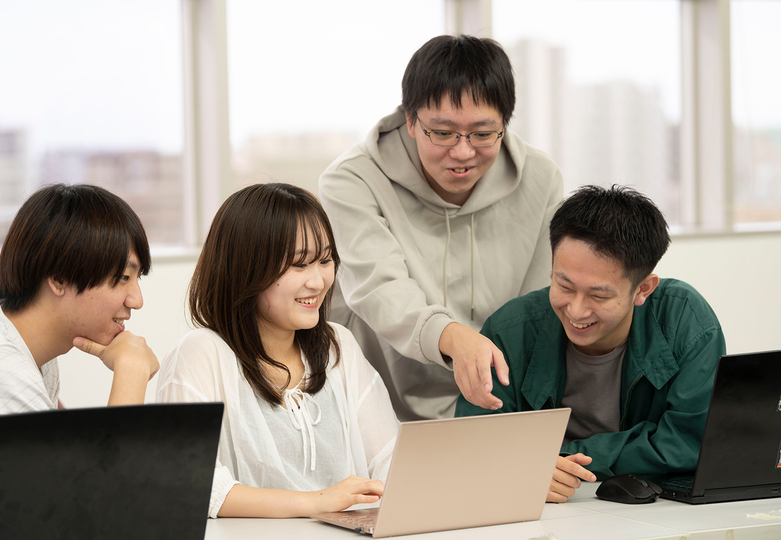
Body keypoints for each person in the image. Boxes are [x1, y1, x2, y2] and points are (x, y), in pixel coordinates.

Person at [319, 34, 564, 421]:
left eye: (483, 134)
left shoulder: (541, 178)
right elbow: (380, 288)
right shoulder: (352, 180)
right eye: (443, 132)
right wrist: (455, 338)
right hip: (374, 405)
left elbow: (537, 308)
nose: (463, 152)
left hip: (495, 404)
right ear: (411, 120)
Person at [456, 185, 726, 503]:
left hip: (653, 510)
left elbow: (693, 440)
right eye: (563, 284)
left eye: (598, 295)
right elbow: (471, 446)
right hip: (540, 509)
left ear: (643, 289)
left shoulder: (684, 319)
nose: (576, 310)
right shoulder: (510, 330)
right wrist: (521, 470)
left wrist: (555, 458)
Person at [156, 183, 399, 519]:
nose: (318, 281)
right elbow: (192, 483)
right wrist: (318, 502)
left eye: (325, 259)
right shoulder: (202, 354)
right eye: (299, 265)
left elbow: (392, 460)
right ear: (245, 270)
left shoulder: (337, 345)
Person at [0, 183, 159, 415]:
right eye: (123, 277)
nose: (136, 301)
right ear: (59, 279)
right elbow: (115, 453)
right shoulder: (0, 368)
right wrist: (132, 371)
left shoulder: (35, 360)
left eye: (135, 279)